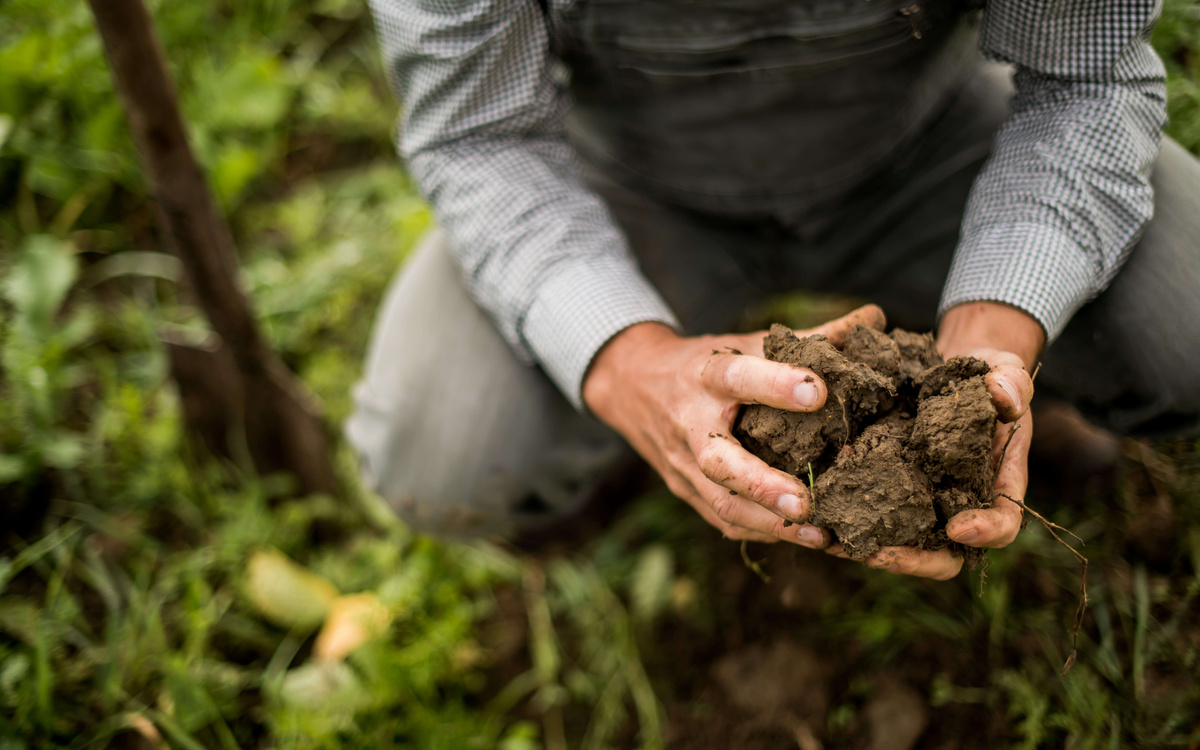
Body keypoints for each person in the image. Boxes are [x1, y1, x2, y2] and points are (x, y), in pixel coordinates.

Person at [346, 0, 1200, 579]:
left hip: (925, 150)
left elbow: (1084, 83)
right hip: (630, 184)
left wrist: (1000, 328)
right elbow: (480, 137)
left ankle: (997, 381)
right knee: (440, 452)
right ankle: (629, 442)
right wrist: (626, 363)